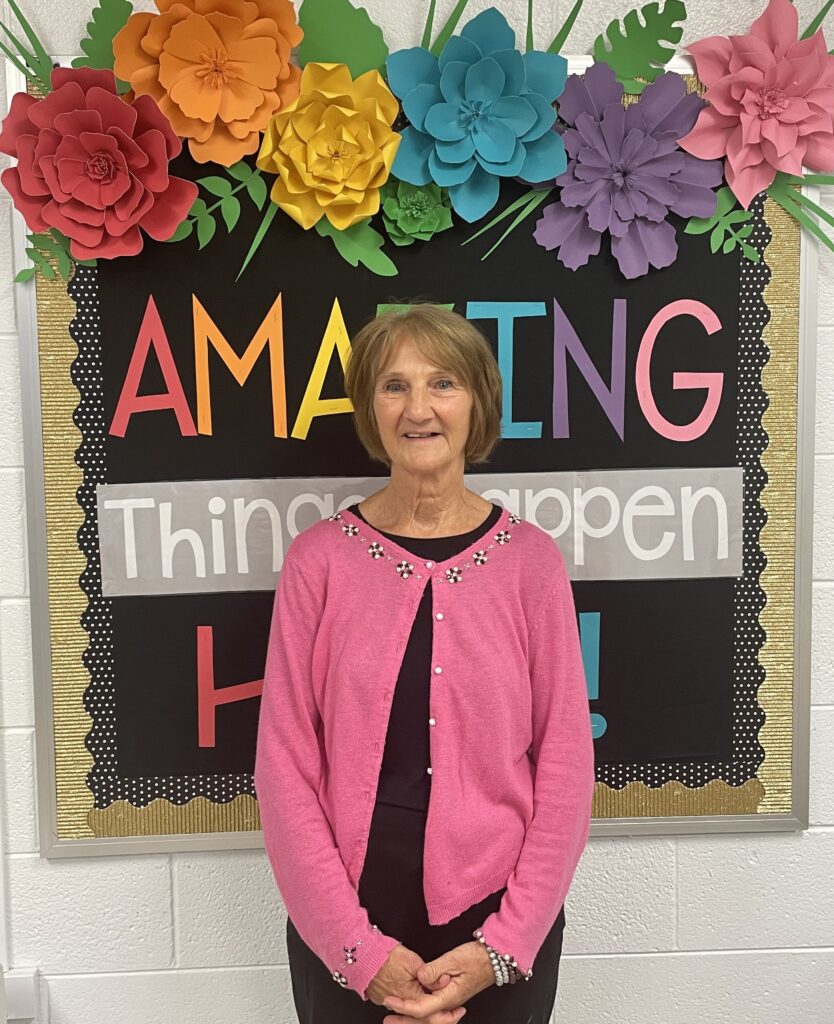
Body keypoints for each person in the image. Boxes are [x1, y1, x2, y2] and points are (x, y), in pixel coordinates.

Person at [254, 305, 596, 1023]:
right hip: (347, 925)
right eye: (393, 386)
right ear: (369, 408)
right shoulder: (316, 562)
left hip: (496, 928)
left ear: (478, 402)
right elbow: (284, 767)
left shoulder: (532, 565)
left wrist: (503, 946)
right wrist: (357, 953)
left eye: (442, 383)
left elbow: (566, 765)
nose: (418, 409)